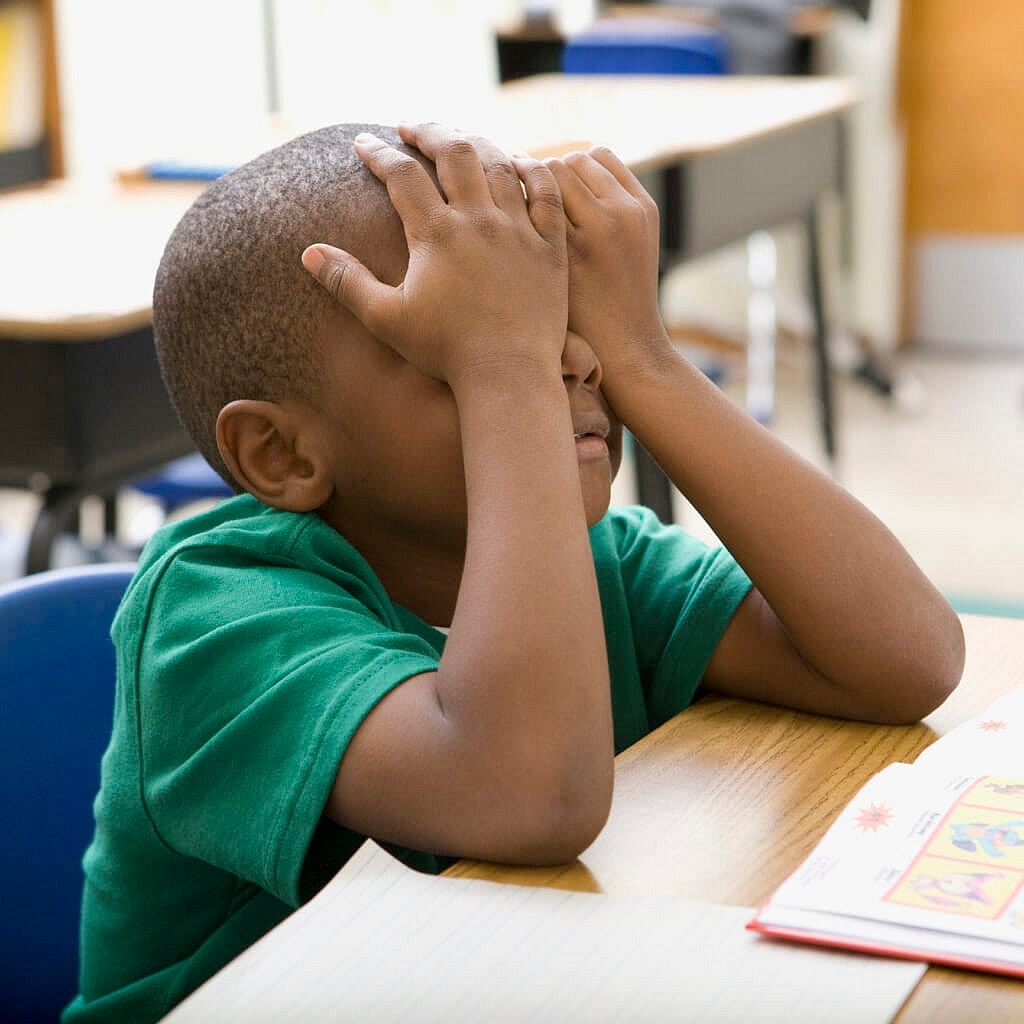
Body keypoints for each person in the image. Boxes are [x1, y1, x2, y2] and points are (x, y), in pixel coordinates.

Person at [64, 121, 964, 1023]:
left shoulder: (594, 563)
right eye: (458, 348)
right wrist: (508, 366)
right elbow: (531, 793)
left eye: (564, 318)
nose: (568, 359)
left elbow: (903, 658)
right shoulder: (216, 615)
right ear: (280, 453)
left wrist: (642, 353)